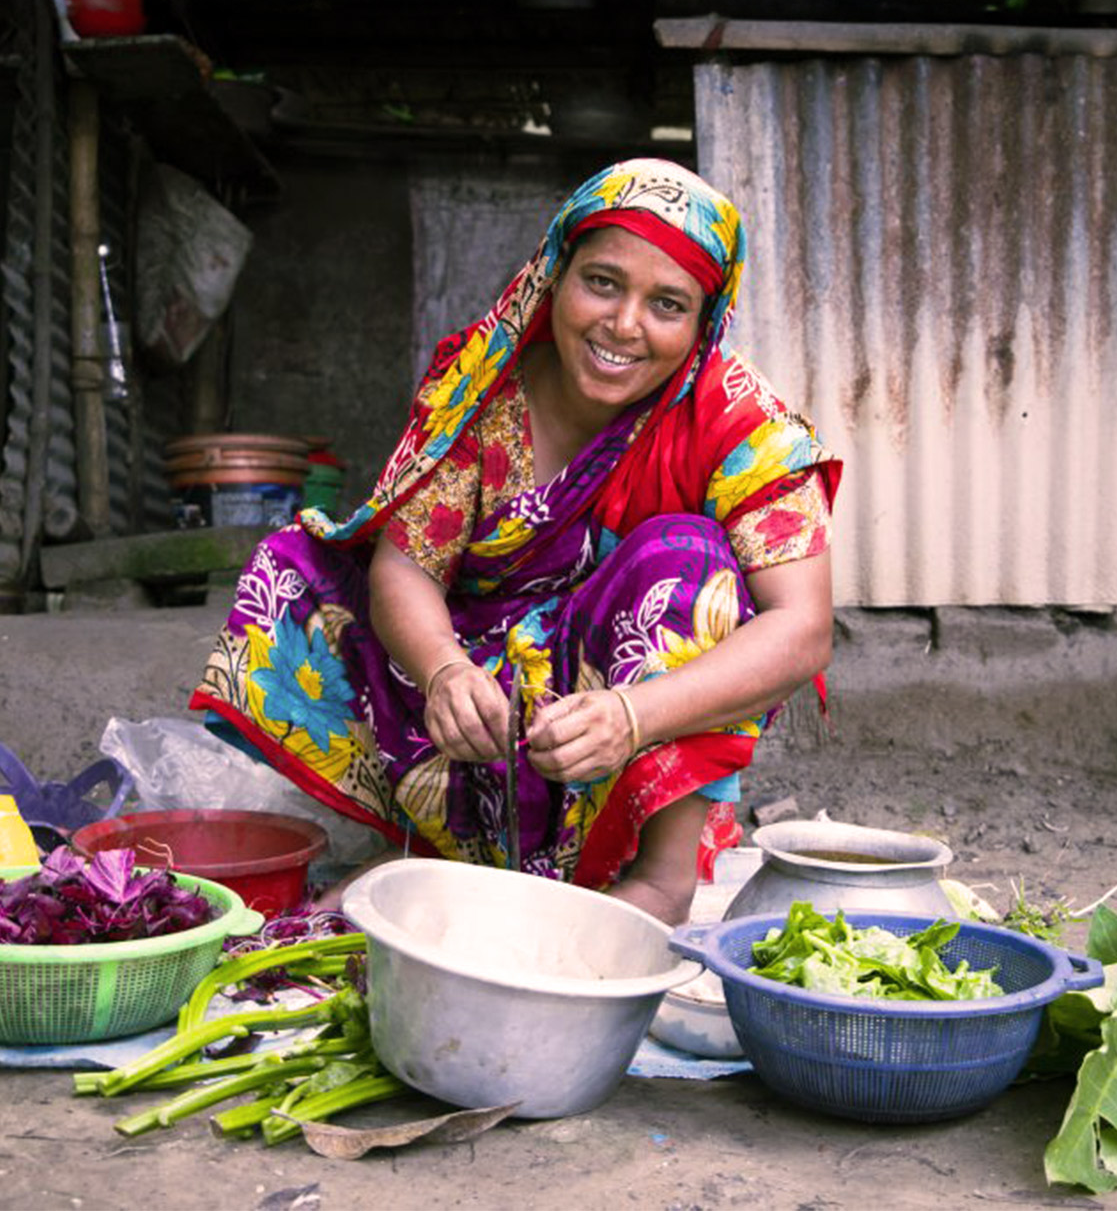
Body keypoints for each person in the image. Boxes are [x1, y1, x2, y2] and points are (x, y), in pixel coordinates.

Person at [190, 158, 839, 924]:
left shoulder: (741, 426)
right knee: (297, 572)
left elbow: (802, 629)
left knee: (685, 559)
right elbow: (406, 565)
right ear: (554, 275)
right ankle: (441, 849)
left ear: (705, 321)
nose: (623, 325)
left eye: (666, 304)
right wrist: (441, 672)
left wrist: (634, 715)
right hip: (486, 705)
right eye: (601, 282)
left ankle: (657, 877)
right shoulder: (482, 388)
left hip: (629, 702)